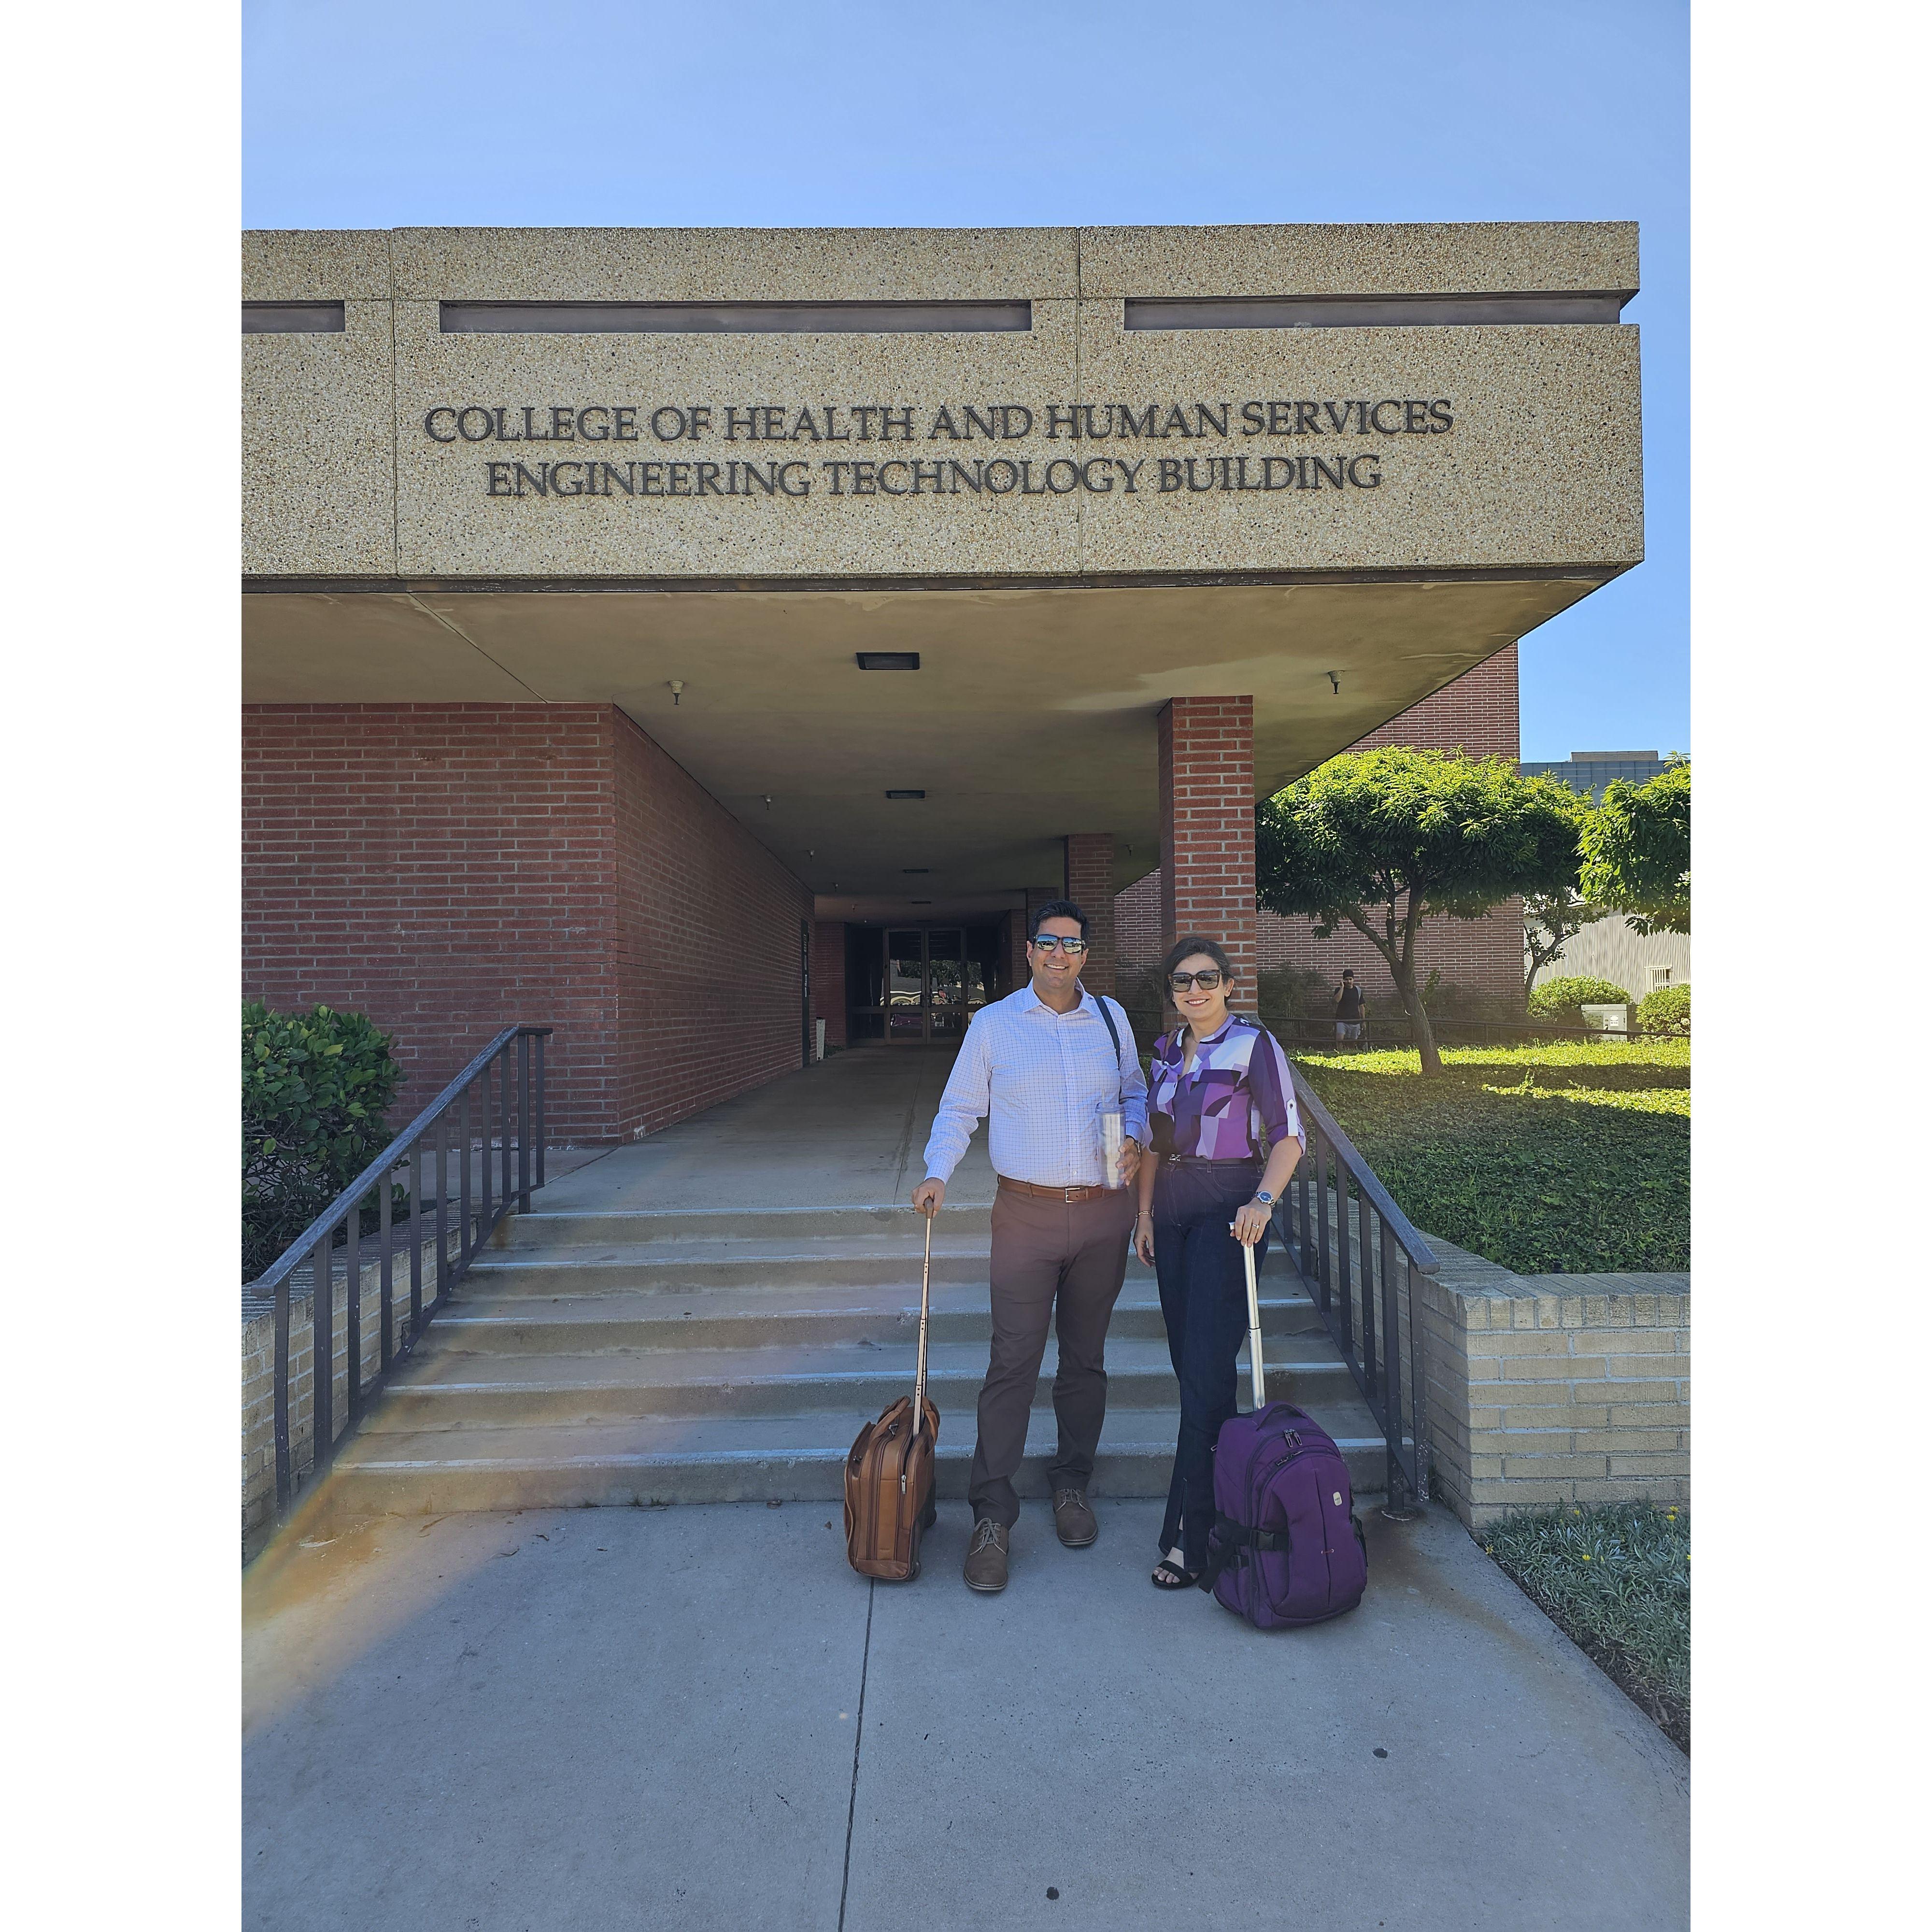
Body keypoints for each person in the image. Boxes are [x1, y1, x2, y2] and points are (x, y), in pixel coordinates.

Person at [912, 900, 1148, 1594]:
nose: (1058, 954)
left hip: (1103, 1211)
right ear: (1028, 951)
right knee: (1012, 1362)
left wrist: (1134, 1132)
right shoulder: (993, 1026)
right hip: (1024, 1214)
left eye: (1071, 945)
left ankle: (1072, 1484)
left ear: (1085, 954)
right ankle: (992, 1514)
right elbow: (960, 1108)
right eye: (1047, 942)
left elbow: (1135, 1088)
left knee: (1085, 1362)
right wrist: (936, 1171)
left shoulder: (1111, 1018)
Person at [1135, 937, 1305, 1589]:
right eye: (1182, 981)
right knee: (1194, 1374)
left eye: (1207, 978)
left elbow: (1289, 1138)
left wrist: (1264, 1200)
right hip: (1172, 1215)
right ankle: (1226, 1510)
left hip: (1230, 1215)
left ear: (1229, 985)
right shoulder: (1161, 1055)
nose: (1195, 990)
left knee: (1206, 1375)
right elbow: (1152, 1145)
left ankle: (1192, 1537)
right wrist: (1144, 1215)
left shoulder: (1254, 1047)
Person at [1334, 969, 1367, 1046]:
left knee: (1352, 1043)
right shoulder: (1339, 990)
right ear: (1343, 980)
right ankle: (1340, 1054)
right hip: (1341, 1020)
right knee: (1339, 1041)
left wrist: (1363, 1021)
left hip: (1355, 1020)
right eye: (1346, 979)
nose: (1349, 981)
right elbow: (1336, 1000)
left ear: (1353, 980)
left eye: (1350, 979)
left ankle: (1351, 1055)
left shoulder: (1358, 990)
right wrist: (1342, 988)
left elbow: (1362, 1006)